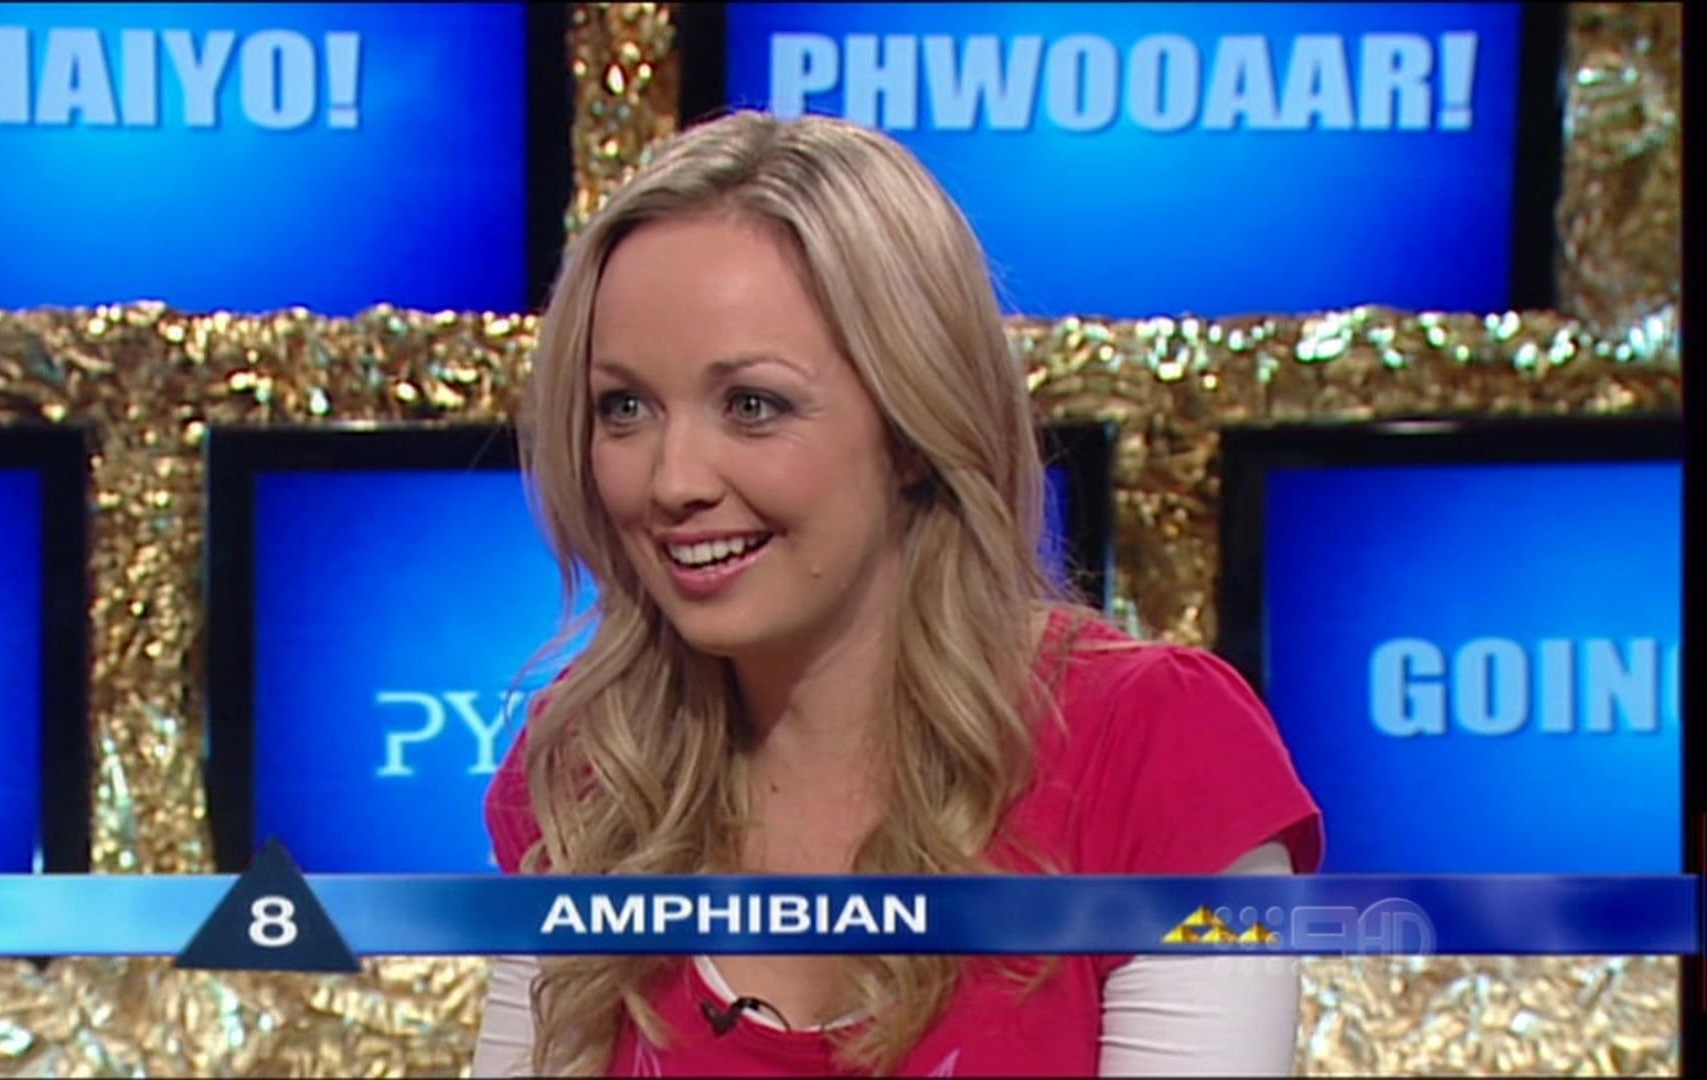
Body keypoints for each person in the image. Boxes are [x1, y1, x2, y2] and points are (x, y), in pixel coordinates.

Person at [473, 109, 1323, 1077]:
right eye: (624, 407)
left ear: (915, 428)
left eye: (753, 405)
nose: (673, 481)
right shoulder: (590, 769)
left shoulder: (1159, 751)